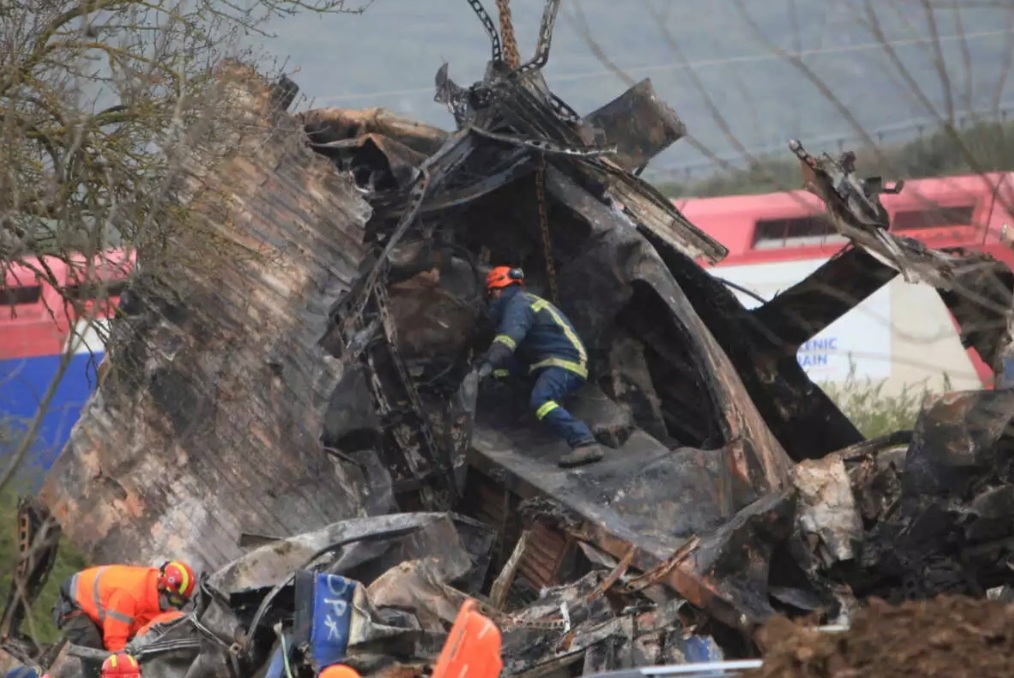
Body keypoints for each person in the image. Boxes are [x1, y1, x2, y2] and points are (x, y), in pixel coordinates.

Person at [474, 266, 604, 467]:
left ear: (497, 290)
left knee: (541, 400)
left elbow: (508, 340)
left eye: (490, 295)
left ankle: (584, 441)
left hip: (563, 363)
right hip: (547, 362)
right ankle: (526, 418)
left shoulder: (518, 305)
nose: (491, 302)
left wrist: (486, 367)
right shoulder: (524, 302)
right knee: (503, 372)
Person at [53, 561, 196, 652]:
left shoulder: (157, 600)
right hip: (74, 604)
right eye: (174, 600)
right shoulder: (129, 595)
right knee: (95, 655)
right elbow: (114, 643)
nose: (173, 606)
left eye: (179, 603)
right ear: (161, 586)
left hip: (101, 613)